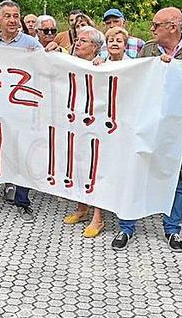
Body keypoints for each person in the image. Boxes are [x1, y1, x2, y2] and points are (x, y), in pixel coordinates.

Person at [111, 7, 182, 252]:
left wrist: (173, 68)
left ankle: (172, 229)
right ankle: (126, 227)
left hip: (174, 129)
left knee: (172, 178)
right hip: (144, 123)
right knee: (135, 173)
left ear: (173, 26)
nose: (151, 29)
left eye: (156, 25)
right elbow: (133, 81)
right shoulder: (148, 49)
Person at [0, 0, 43, 224]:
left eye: (16, 15)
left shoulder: (31, 43)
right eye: (8, 16)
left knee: (21, 154)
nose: (12, 20)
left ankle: (22, 202)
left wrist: (48, 51)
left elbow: (47, 68)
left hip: (21, 110)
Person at [62, 26, 107, 237]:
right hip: (75, 122)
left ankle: (98, 217)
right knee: (78, 166)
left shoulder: (104, 65)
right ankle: (82, 207)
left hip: (97, 124)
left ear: (96, 47)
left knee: (96, 168)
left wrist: (102, 65)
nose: (78, 43)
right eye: (77, 40)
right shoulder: (70, 61)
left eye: (84, 41)